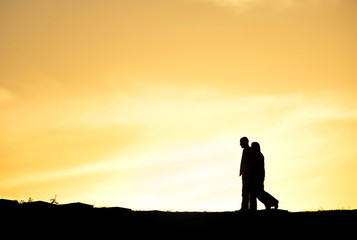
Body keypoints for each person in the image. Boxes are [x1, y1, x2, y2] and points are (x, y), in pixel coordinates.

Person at [251, 142, 279, 210]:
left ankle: (273, 201)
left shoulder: (258, 156)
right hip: (258, 177)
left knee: (259, 192)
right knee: (259, 193)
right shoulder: (257, 155)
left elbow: (257, 167)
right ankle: (269, 203)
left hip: (258, 177)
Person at [239, 137, 257, 211]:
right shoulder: (246, 151)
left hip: (249, 175)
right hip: (246, 175)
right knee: (245, 192)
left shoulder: (249, 151)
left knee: (249, 192)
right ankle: (245, 207)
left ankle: (248, 208)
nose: (240, 144)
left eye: (241, 142)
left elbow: (249, 163)